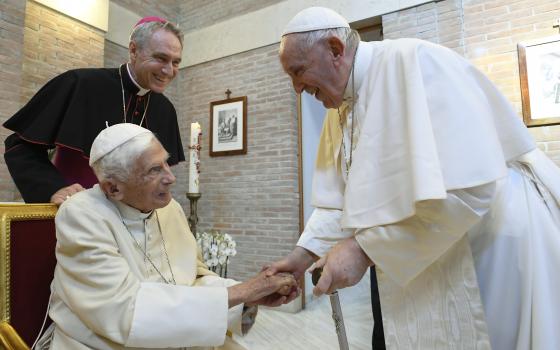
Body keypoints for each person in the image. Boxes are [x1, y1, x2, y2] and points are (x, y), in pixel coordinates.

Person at [267, 6, 560, 350]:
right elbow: (339, 201)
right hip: (432, 253)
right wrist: (303, 255)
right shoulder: (340, 105)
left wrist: (363, 250)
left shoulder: (416, 62)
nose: (297, 88)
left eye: (298, 72)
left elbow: (472, 189)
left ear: (335, 49)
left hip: (490, 245)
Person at [36, 123, 298, 349]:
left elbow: (194, 276)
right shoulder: (82, 214)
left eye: (166, 163)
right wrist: (240, 293)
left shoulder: (169, 208)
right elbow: (123, 312)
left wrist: (247, 298)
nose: (171, 177)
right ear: (113, 188)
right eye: (154, 170)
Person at [3, 16, 184, 205]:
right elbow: (20, 146)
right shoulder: (80, 84)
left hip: (134, 224)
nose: (168, 71)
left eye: (176, 62)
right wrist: (53, 188)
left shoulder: (166, 110)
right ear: (133, 51)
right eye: (161, 58)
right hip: (77, 214)